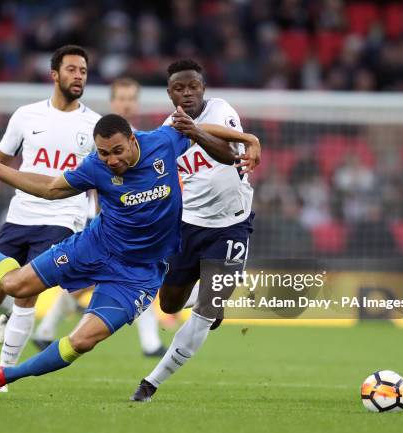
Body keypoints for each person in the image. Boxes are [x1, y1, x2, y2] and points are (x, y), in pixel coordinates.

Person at [0, 111, 237, 400]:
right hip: (93, 248)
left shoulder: (163, 141)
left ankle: (5, 376)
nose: (112, 160)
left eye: (117, 151)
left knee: (80, 342)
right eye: (104, 153)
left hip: (137, 275)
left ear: (133, 140)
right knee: (13, 286)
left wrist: (247, 139)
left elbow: (203, 129)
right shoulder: (95, 166)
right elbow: (52, 189)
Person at [0, 45, 100, 388]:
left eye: (83, 71)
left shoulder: (93, 125)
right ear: (55, 75)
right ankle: (4, 314)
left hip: (65, 216)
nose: (79, 76)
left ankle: (1, 375)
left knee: (25, 293)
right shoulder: (25, 116)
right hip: (20, 215)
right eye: (72, 70)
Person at [131, 59, 261, 402]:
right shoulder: (167, 128)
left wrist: (195, 131)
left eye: (193, 87)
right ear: (170, 92)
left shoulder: (220, 111)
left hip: (231, 225)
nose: (187, 93)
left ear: (203, 89)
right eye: (179, 88)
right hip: (187, 225)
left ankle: (150, 383)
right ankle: (210, 300)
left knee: (204, 312)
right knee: (170, 305)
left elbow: (228, 155)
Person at [31, 76, 167, 357]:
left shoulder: (138, 138)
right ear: (112, 101)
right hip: (102, 222)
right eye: (122, 99)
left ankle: (47, 330)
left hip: (127, 225)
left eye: (132, 99)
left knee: (105, 281)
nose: (127, 104)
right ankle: (149, 342)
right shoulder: (102, 139)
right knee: (116, 279)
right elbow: (89, 178)